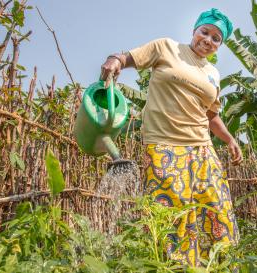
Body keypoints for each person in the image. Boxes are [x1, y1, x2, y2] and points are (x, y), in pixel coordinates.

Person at [100, 8, 243, 267]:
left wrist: (230, 139)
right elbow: (128, 57)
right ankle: (179, 268)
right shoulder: (166, 48)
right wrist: (115, 60)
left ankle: (221, 267)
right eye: (205, 32)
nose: (209, 40)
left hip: (202, 147)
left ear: (219, 45)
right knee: (173, 215)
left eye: (216, 38)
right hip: (164, 145)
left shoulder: (213, 74)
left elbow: (211, 115)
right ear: (195, 30)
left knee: (217, 210)